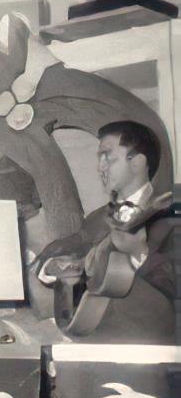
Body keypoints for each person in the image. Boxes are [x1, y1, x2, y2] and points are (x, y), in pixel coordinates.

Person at [36, 120, 175, 344]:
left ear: (138, 162)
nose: (100, 167)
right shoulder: (96, 218)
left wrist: (140, 254)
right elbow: (69, 255)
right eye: (99, 158)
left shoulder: (170, 216)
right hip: (92, 338)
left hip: (150, 345)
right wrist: (55, 267)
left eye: (108, 157)